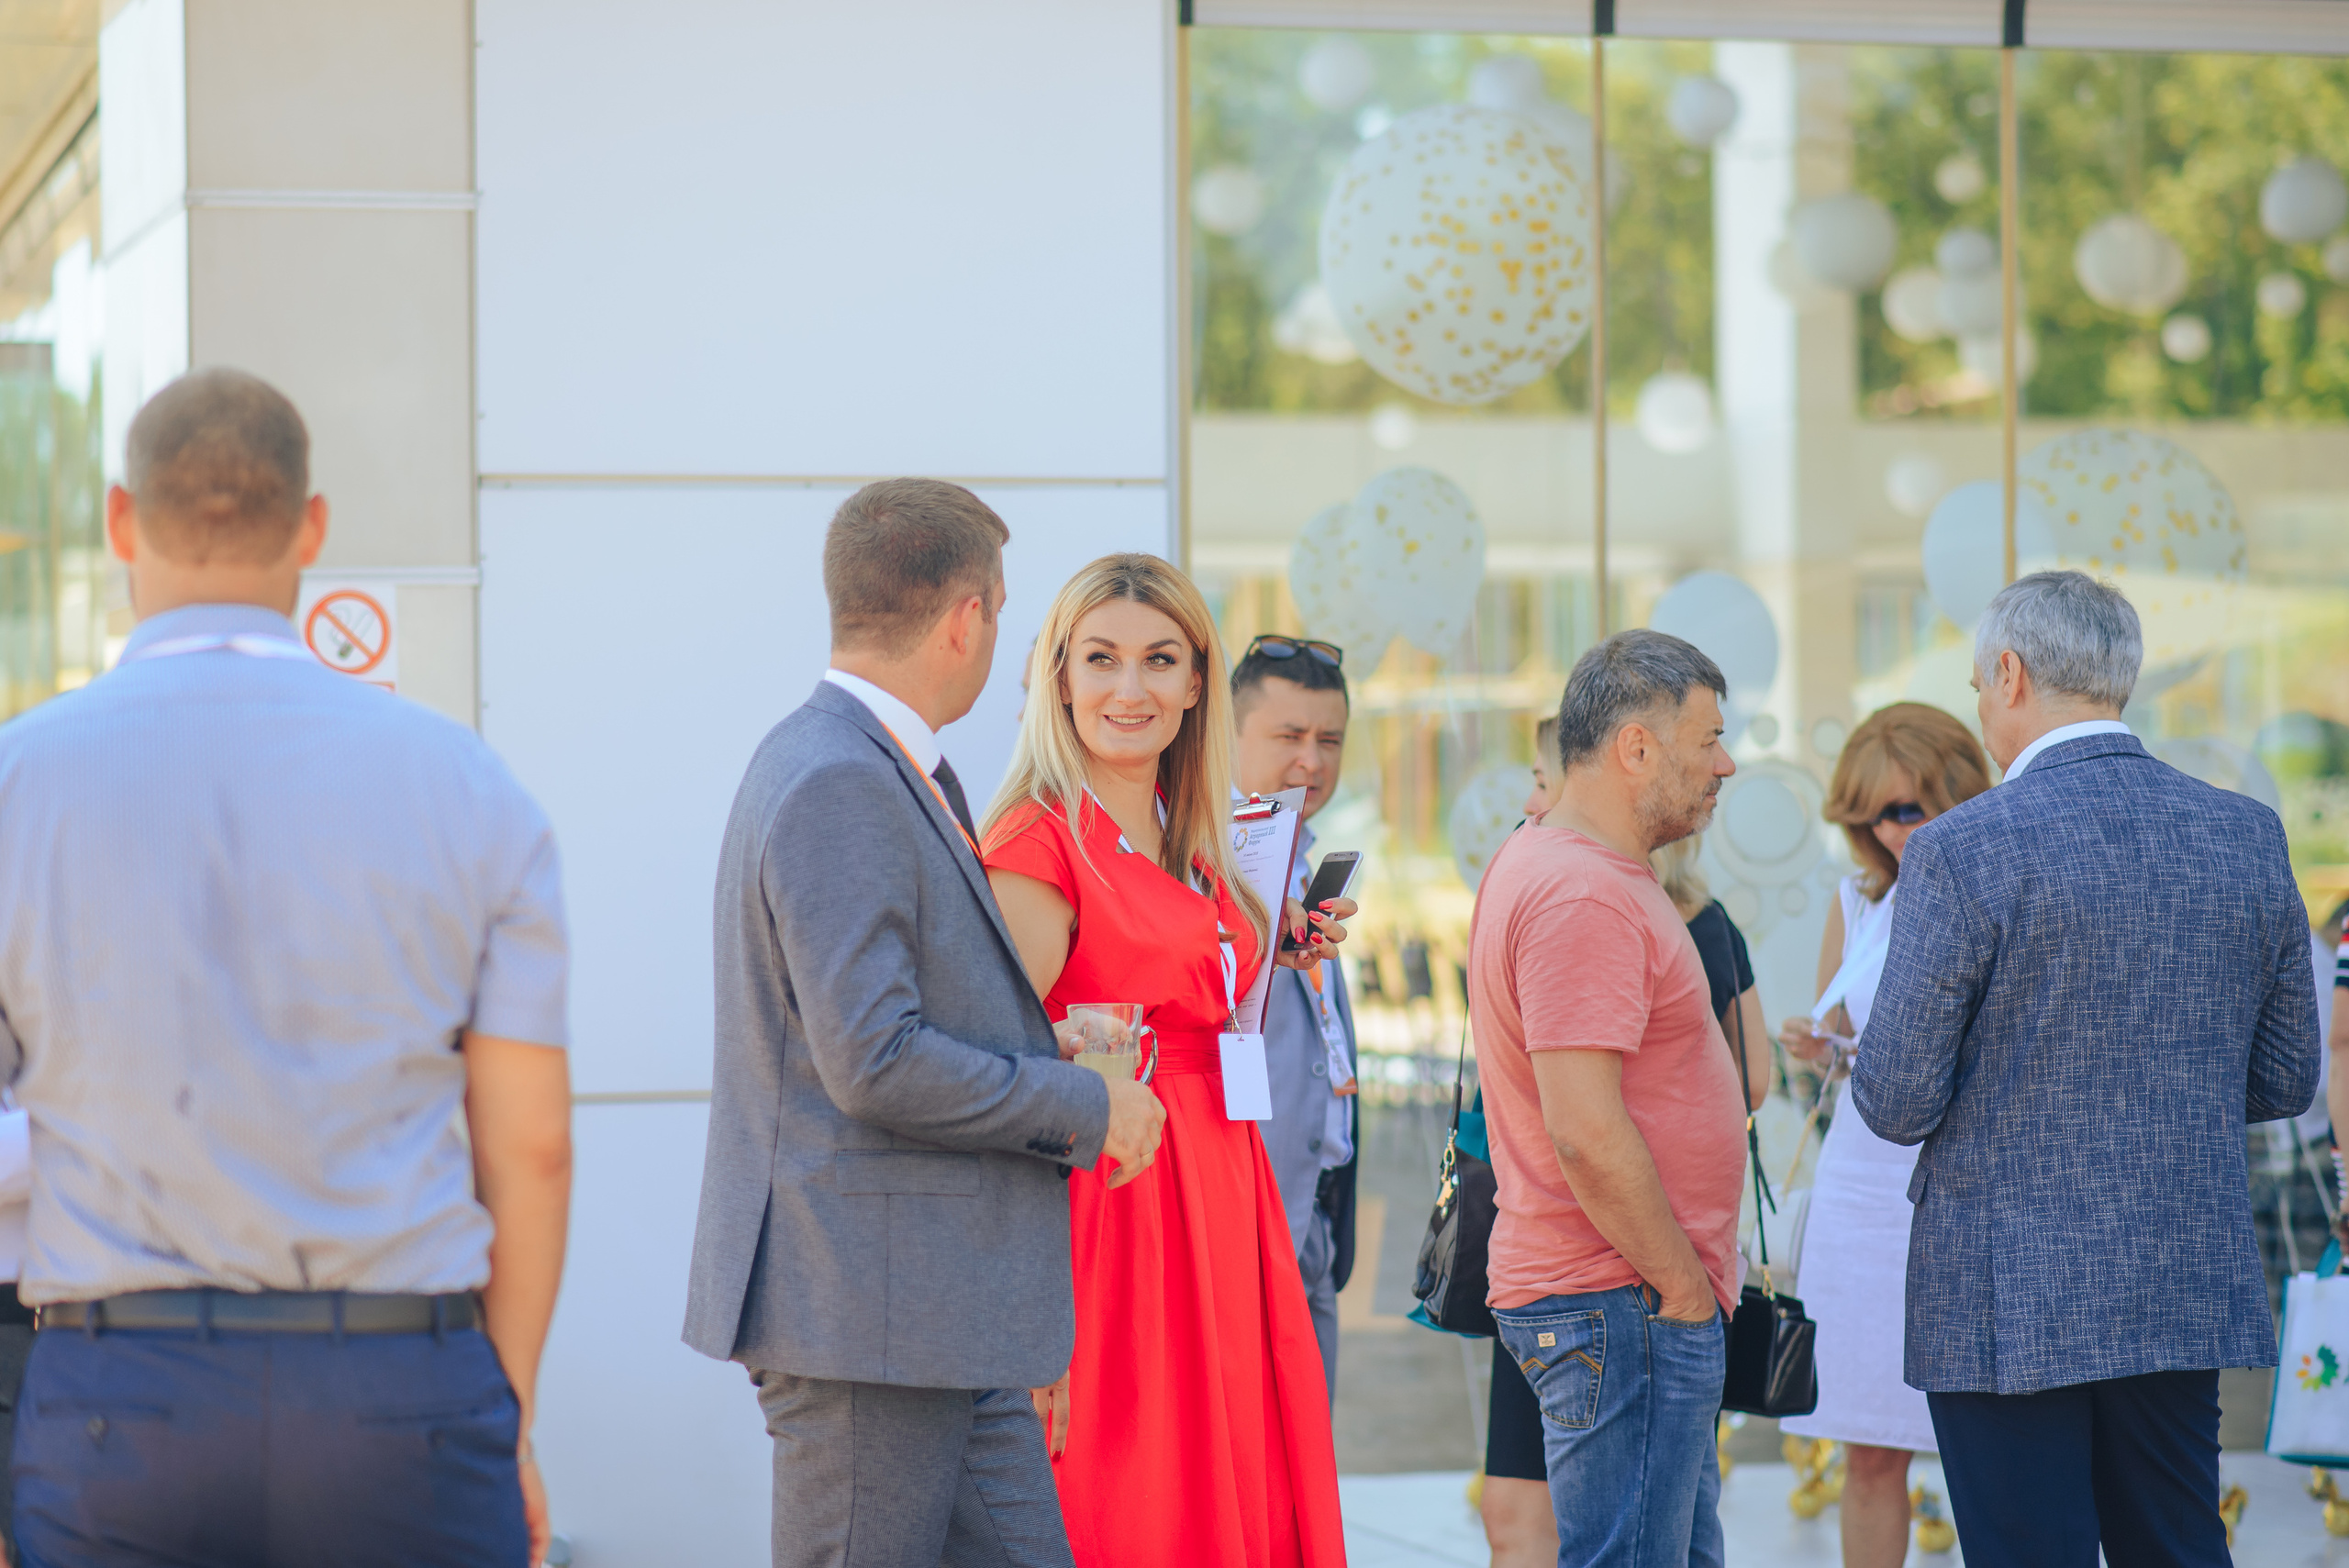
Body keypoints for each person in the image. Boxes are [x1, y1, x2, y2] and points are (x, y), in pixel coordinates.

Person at [0, 369, 573, 1566]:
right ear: (311, 526)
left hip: (119, 1405)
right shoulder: (466, 783)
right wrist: (502, 1415)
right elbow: (533, 1147)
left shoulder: (17, 782)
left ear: (119, 522)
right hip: (401, 1398)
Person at [684, 481, 1165, 1568]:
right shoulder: (839, 777)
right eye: (1000, 611)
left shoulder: (866, 763)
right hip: (872, 1317)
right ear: (966, 617)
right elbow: (875, 1058)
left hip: (937, 1312)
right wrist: (1084, 1102)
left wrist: (1051, 1050)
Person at [1854, 571, 2320, 1568]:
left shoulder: (1962, 849)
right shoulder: (2245, 834)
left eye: (1981, 684)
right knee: (2180, 1545)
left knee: (2029, 1552)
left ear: (2010, 674)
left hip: (2002, 1283)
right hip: (2176, 1267)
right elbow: (2286, 1079)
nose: (1981, 706)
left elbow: (1893, 1098)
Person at [981, 554, 1351, 1567]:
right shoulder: (1037, 837)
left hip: (1222, 1191)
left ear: (1197, 683)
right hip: (1114, 1204)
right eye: (1099, 659)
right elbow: (997, 1062)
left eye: (1158, 660)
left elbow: (1193, 969)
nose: (1128, 689)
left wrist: (1269, 938)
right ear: (1058, 677)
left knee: (1232, 1475)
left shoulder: (1195, 834)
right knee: (1138, 1493)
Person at [1467, 629, 1746, 1568]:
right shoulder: (1581, 891)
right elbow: (1584, 1129)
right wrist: (1677, 1284)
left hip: (1622, 1295)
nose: (1726, 762)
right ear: (1635, 746)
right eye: (1707, 739)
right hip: (1620, 1295)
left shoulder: (1569, 866)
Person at [1773, 704, 1990, 1568]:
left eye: (1908, 807)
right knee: (1868, 1445)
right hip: (1862, 1192)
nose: (1891, 831)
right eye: (1872, 814)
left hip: (1965, 1185)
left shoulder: (1996, 886)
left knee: (1990, 1447)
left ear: (1956, 790)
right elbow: (1838, 1061)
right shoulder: (1858, 900)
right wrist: (1818, 1045)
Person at [1230, 634, 1359, 1404]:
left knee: (1304, 1477)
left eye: (1329, 739)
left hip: (1313, 1215)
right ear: (1231, 735)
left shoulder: (1301, 856)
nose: (1311, 761)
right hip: (1244, 1216)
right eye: (1289, 736)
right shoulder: (1207, 859)